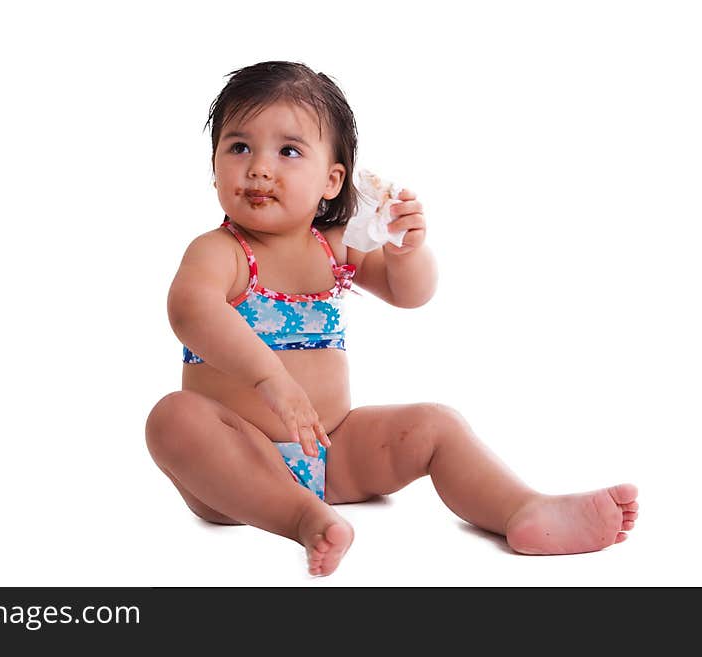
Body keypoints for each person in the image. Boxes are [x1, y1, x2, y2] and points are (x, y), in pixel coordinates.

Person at [144, 60, 639, 577]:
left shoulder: (334, 247)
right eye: (239, 147)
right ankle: (299, 517)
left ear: (332, 181)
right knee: (173, 419)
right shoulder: (220, 251)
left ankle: (522, 507)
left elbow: (412, 295)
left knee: (436, 423)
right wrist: (271, 378)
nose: (259, 167)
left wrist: (405, 252)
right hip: (233, 466)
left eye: (288, 151)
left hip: (334, 451)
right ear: (215, 162)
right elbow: (190, 311)